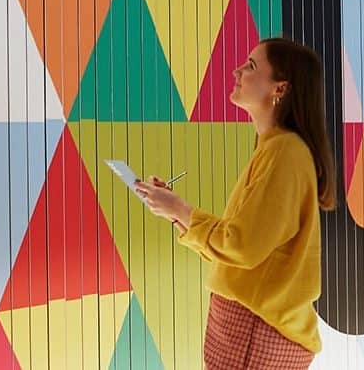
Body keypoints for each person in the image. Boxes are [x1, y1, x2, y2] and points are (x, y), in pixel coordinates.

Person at [135, 37, 336, 369]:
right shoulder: (277, 148)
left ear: (280, 89)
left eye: (252, 66)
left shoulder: (284, 152)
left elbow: (242, 247)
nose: (236, 71)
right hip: (251, 323)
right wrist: (176, 211)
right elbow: (240, 247)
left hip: (255, 326)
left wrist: (181, 211)